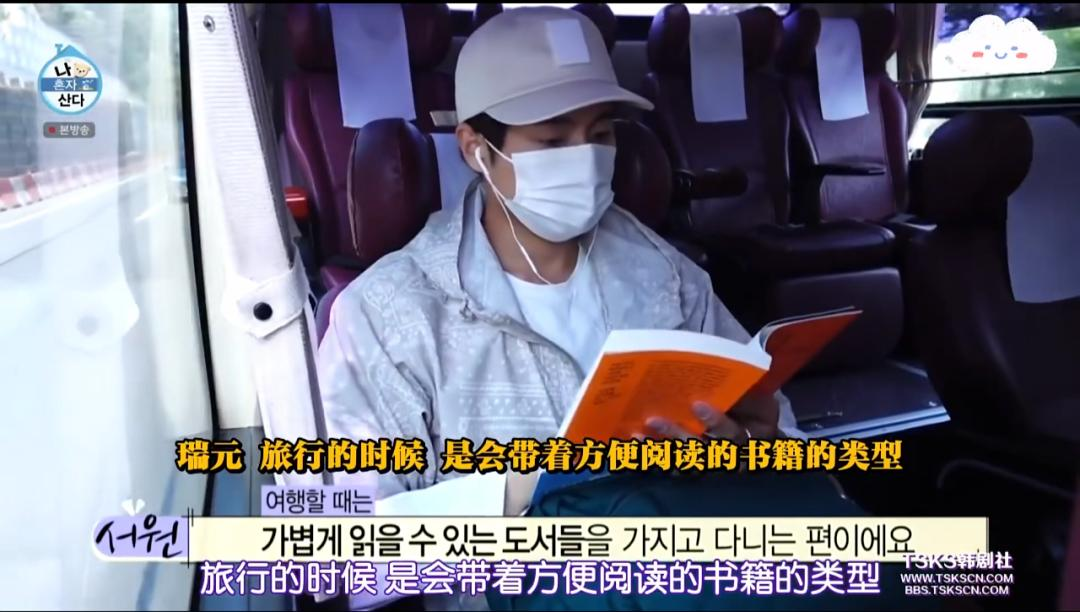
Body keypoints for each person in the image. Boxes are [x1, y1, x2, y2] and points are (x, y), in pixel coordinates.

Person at [318, 6, 801, 609]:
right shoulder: (389, 316)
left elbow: (778, 429)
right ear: (476, 149)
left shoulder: (664, 274)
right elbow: (341, 558)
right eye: (551, 140)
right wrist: (524, 489)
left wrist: (752, 448)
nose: (585, 157)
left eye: (600, 134)